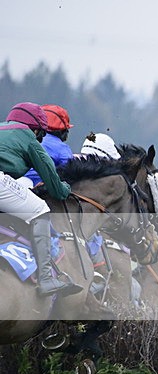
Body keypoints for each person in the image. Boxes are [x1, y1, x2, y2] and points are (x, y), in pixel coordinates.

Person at [0, 102, 82, 296]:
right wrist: (65, 189)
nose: (41, 138)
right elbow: (52, 180)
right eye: (41, 134)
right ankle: (45, 278)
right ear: (35, 128)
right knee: (40, 210)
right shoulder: (28, 138)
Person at [22, 104, 75, 189]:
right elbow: (72, 173)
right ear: (63, 131)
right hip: (34, 187)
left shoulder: (24, 137)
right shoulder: (62, 148)